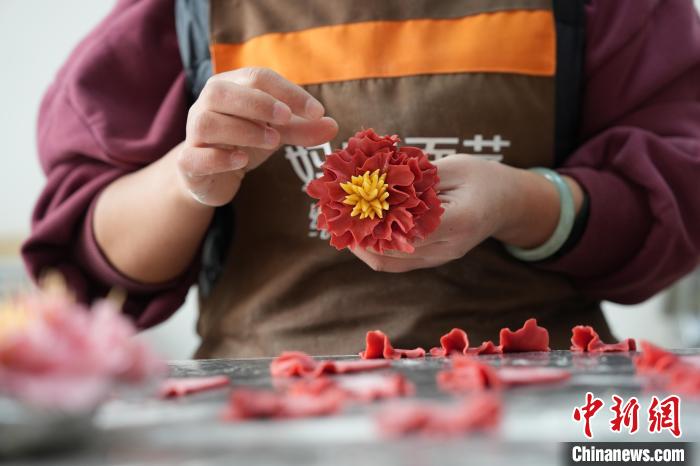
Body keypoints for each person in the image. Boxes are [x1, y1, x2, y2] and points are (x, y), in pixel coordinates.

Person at [22, 0, 700, 357]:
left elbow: (678, 199)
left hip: (551, 397)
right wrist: (190, 178)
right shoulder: (182, 10)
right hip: (264, 408)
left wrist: (525, 202)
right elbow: (83, 265)